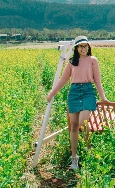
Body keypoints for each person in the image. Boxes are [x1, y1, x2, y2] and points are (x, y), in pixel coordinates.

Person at [47, 35, 110, 170]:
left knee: (83, 122)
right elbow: (63, 80)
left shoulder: (93, 60)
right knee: (74, 126)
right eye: (81, 46)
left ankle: (88, 148)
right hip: (74, 93)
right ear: (76, 48)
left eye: (86, 46)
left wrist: (102, 97)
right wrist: (52, 93)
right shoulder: (71, 63)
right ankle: (74, 158)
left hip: (88, 92)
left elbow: (97, 80)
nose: (84, 48)